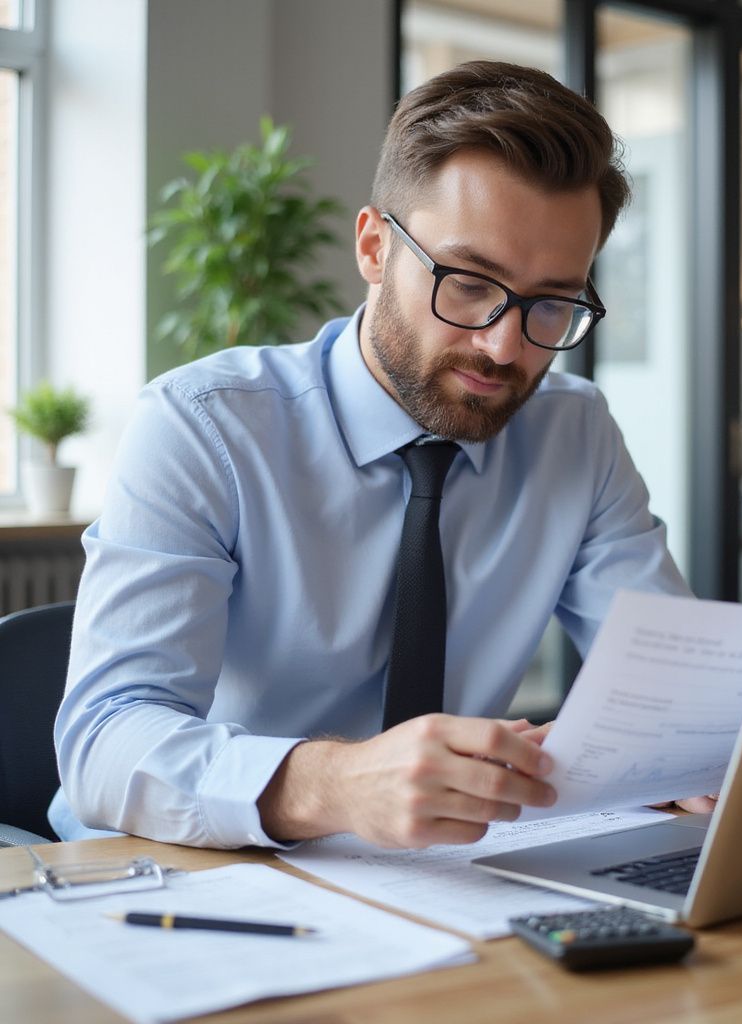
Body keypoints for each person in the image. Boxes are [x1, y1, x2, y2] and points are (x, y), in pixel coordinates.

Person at [52, 60, 700, 851]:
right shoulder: (203, 427)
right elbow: (102, 741)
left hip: (451, 882)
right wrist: (337, 785)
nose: (503, 345)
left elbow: (674, 685)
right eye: (468, 282)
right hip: (191, 873)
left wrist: (699, 750)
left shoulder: (576, 432)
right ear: (372, 247)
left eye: (553, 302)